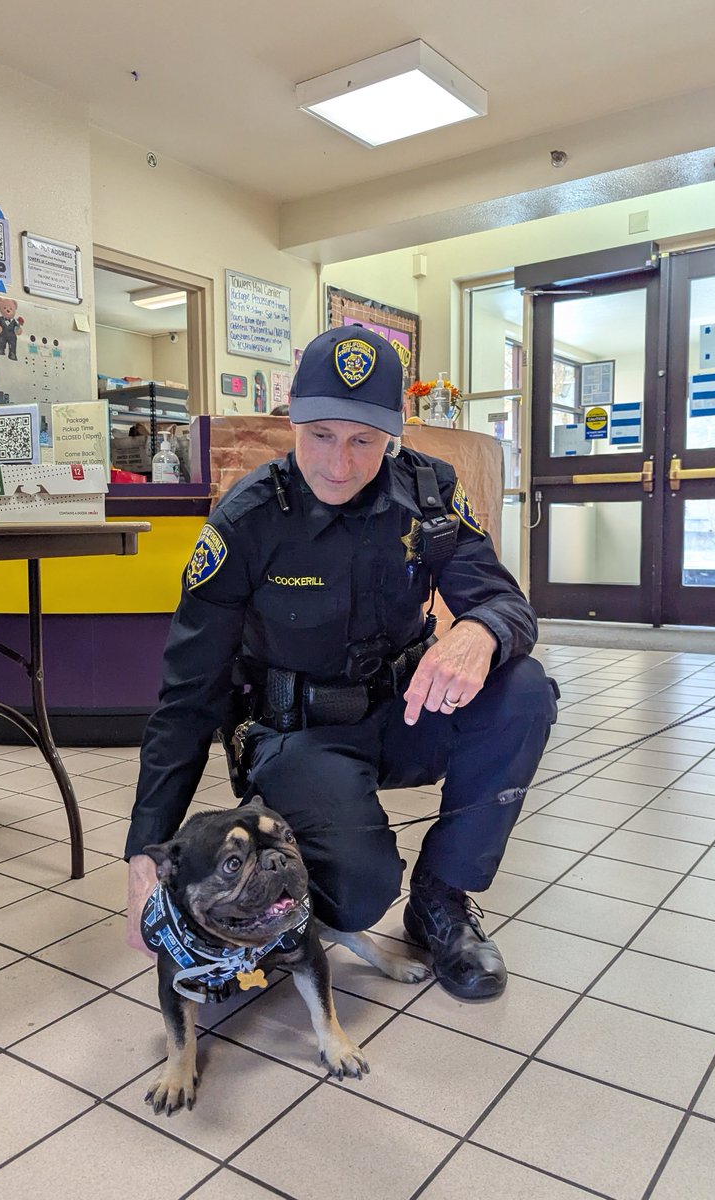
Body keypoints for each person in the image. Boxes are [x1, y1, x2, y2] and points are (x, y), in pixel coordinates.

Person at [125, 326, 558, 1000]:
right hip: (298, 736)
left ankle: (440, 903)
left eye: (364, 440)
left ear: (396, 433)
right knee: (357, 898)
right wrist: (146, 851)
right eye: (320, 434)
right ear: (292, 418)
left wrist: (479, 627)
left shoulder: (432, 495)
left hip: (403, 713)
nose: (338, 463)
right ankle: (327, 862)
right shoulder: (247, 523)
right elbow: (187, 696)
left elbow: (507, 602)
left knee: (524, 688)